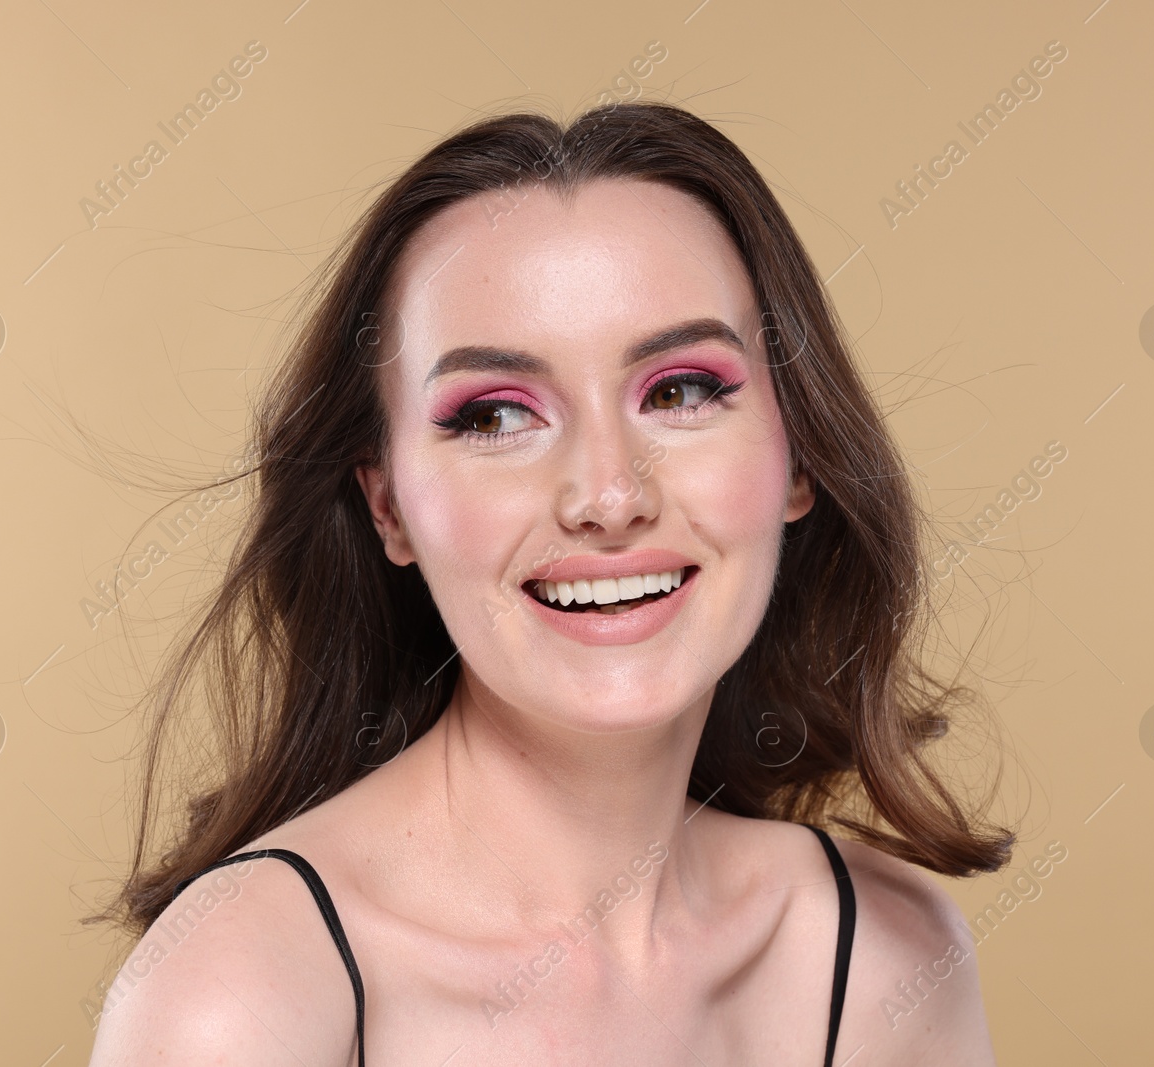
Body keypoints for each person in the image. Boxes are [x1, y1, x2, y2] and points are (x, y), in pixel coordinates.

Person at [87, 99, 1012, 1065]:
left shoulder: (884, 956)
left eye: (684, 390)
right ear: (388, 504)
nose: (608, 496)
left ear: (801, 460)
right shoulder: (239, 993)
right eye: (493, 415)